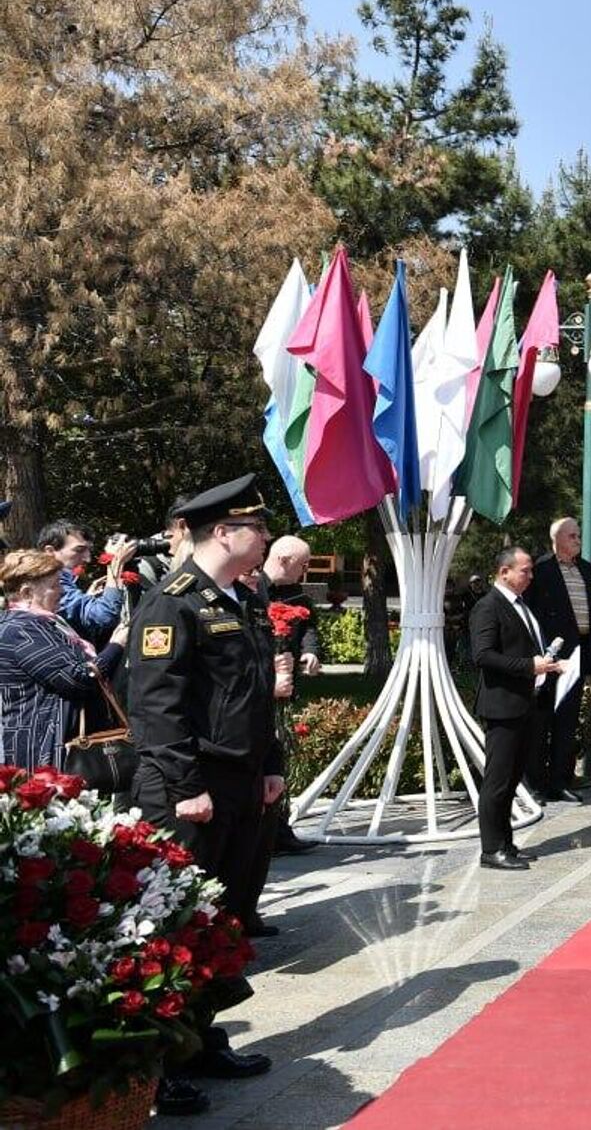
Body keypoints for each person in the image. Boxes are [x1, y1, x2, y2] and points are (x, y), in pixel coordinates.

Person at [124, 475, 280, 1117]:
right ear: (225, 532)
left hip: (240, 785)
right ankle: (153, 1066)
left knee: (225, 921)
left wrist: (269, 765)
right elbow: (156, 708)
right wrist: (187, 789)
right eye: (258, 527)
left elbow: (255, 696)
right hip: (188, 792)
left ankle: (200, 1039)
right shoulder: (173, 603)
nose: (266, 537)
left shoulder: (239, 600)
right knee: (174, 928)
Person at [228, 535, 318, 941]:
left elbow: (305, 625)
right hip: (241, 730)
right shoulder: (239, 602)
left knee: (259, 831)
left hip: (266, 721)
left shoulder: (268, 598)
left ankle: (247, 910)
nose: (250, 578)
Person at [468, 547, 561, 871]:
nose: (530, 576)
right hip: (502, 705)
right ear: (504, 572)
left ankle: (506, 843)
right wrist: (528, 666)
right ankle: (491, 848)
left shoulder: (521, 606)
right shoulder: (488, 607)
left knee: (511, 780)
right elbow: (482, 655)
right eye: (525, 570)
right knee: (497, 780)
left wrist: (546, 665)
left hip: (524, 704)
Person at [0, 550, 122, 768]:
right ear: (27, 592)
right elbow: (78, 679)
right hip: (43, 754)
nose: (62, 590)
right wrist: (116, 645)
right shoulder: (23, 629)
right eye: (55, 585)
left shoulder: (39, 623)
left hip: (55, 746)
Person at [528, 516, 591, 802]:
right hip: (549, 656)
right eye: (572, 536)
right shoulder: (541, 568)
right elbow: (531, 614)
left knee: (567, 719)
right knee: (540, 721)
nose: (578, 540)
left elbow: (590, 614)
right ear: (556, 539)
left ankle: (560, 780)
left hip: (577, 653)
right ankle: (535, 784)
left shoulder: (584, 568)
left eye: (578, 535)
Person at [39, 519, 127, 650]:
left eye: (88, 550)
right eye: (79, 550)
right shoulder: (49, 583)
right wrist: (115, 564)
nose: (88, 558)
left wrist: (87, 598)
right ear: (50, 551)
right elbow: (104, 617)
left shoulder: (60, 580)